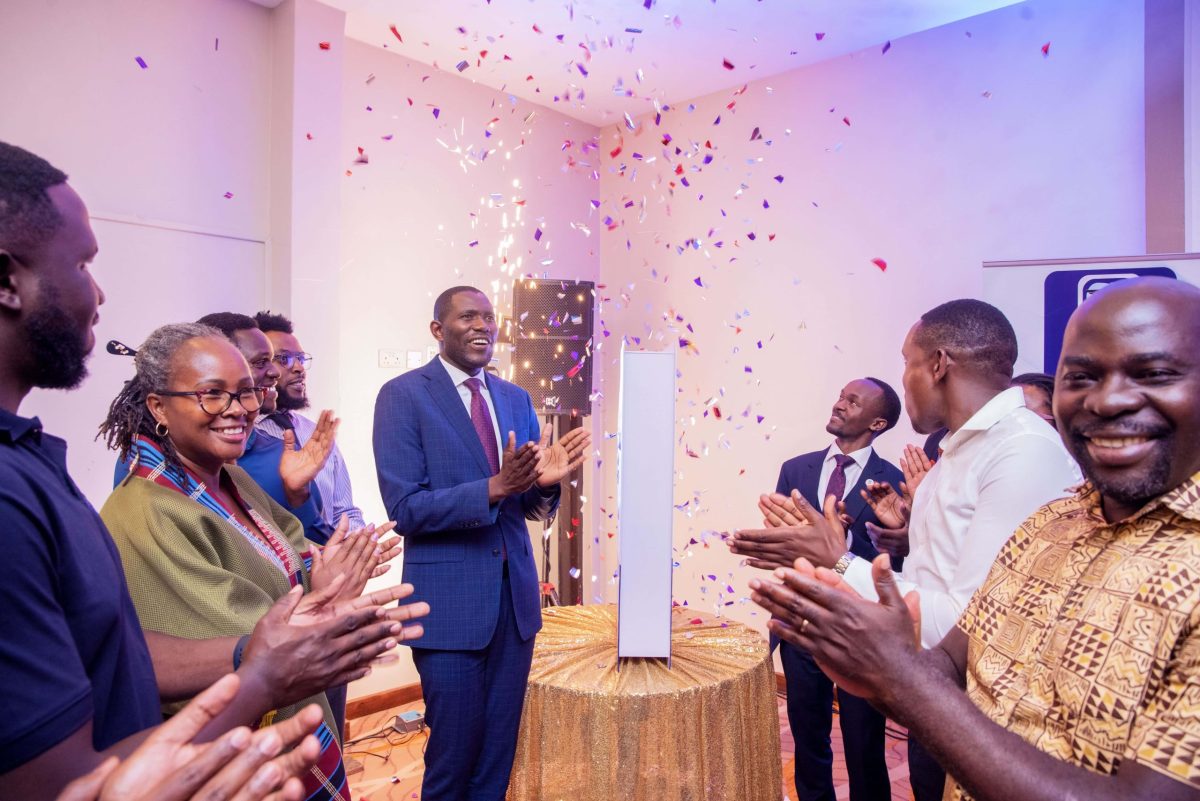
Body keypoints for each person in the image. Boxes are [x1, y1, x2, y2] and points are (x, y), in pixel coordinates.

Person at [0, 140, 425, 799]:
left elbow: (124, 644)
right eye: (83, 264)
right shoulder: (128, 506)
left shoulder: (38, 459)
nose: (99, 291)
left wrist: (316, 582)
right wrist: (269, 664)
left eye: (248, 390)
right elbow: (59, 779)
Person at [750, 277, 1200, 801]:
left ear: (938, 363)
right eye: (1081, 376)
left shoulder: (1024, 451)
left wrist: (845, 569)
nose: (1108, 400)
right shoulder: (1052, 523)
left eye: (1154, 374)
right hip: (949, 745)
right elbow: (957, 651)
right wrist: (854, 643)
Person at [740, 299, 1081, 801]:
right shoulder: (951, 456)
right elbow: (933, 575)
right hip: (938, 702)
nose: (904, 379)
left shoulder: (1022, 450)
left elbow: (974, 631)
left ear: (938, 364)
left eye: (907, 362)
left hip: (990, 726)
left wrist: (837, 561)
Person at [373, 285, 591, 801]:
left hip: (514, 611)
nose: (482, 326)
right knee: (453, 758)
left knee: (497, 757)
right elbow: (406, 510)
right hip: (447, 609)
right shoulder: (403, 396)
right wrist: (494, 487)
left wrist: (544, 485)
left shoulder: (515, 398)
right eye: (468, 316)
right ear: (438, 329)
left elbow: (528, 507)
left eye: (489, 318)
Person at [731, 378, 905, 801]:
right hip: (801, 623)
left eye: (853, 401)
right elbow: (781, 539)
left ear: (878, 423)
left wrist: (842, 543)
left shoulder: (894, 481)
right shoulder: (796, 469)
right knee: (808, 739)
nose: (839, 404)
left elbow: (897, 562)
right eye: (841, 396)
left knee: (864, 745)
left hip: (860, 629)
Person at [254, 309, 366, 532]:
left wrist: (358, 543)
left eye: (301, 359)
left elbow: (344, 511)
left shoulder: (314, 432)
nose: (298, 368)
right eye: (284, 359)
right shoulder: (243, 436)